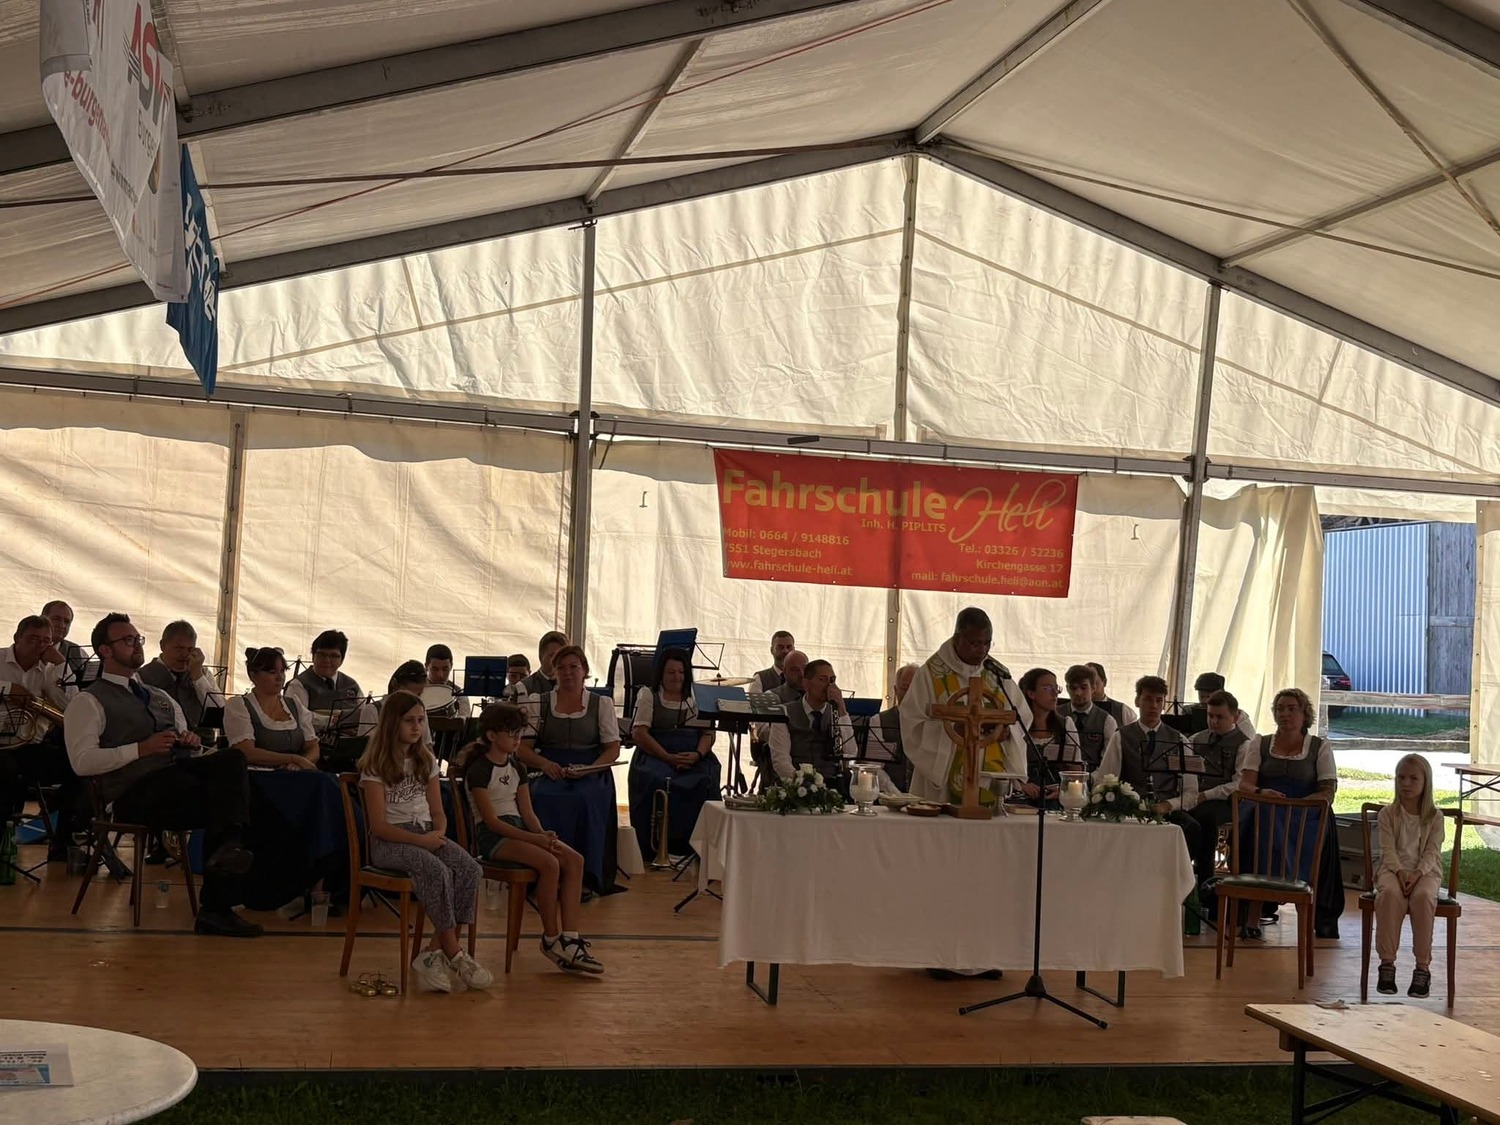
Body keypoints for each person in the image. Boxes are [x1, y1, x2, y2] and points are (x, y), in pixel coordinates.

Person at [64, 613, 260, 937]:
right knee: (227, 802)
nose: (136, 645)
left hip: (172, 783)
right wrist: (140, 749)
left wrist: (189, 742)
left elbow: (184, 744)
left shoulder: (160, 697)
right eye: (127, 640)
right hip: (130, 794)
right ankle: (221, 889)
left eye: (138, 638)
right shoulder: (88, 701)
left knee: (234, 761)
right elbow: (82, 763)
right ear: (105, 650)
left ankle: (227, 867)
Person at [454, 704, 603, 974]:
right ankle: (551, 939)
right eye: (511, 733)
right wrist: (535, 841)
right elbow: (492, 822)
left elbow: (528, 813)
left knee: (575, 860)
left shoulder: (517, 767)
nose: (517, 739)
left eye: (519, 733)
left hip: (519, 829)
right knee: (549, 863)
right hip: (494, 837)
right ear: (491, 735)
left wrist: (541, 833)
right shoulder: (479, 769)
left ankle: (570, 938)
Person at [359, 691, 491, 992]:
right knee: (436, 870)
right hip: (391, 840)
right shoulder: (375, 764)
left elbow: (438, 812)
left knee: (470, 868)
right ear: (392, 723)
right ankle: (455, 953)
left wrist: (438, 833)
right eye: (409, 721)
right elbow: (379, 826)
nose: (417, 727)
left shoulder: (426, 760)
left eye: (421, 720)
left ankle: (432, 952)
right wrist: (422, 842)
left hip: (426, 832)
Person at [1237, 687, 1344, 940]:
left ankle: (1303, 903)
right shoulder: (1261, 743)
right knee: (1263, 821)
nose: (1285, 714)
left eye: (1291, 709)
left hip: (1306, 816)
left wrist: (1298, 805)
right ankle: (1252, 917)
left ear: (1304, 714)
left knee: (1285, 827)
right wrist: (1262, 791)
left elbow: (1327, 791)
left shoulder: (1319, 747)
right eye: (1280, 709)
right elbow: (1245, 784)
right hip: (1267, 810)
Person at [517, 645, 624, 897]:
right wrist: (544, 764)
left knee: (584, 799)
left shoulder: (601, 703)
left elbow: (612, 749)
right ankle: (546, 872)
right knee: (543, 797)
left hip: (591, 770)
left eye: (574, 667)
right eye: (561, 668)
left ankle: (585, 877)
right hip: (549, 768)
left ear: (584, 670)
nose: (568, 673)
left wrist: (589, 769)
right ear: (553, 672)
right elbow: (522, 749)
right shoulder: (539, 702)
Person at [900, 607, 1030, 806]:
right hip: (945, 771)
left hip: (987, 771)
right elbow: (912, 725)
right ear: (957, 638)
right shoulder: (930, 673)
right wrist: (953, 730)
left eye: (987, 643)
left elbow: (1020, 717)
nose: (982, 650)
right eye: (975, 643)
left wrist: (1006, 731)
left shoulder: (997, 674)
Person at [1, 614, 83, 859]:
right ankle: (4, 841)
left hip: (29, 747)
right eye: (33, 639)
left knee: (79, 768)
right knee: (6, 773)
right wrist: (9, 689)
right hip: (1, 748)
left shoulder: (49, 670)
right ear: (17, 638)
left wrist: (60, 665)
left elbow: (72, 706)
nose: (40, 646)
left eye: (46, 641)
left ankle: (61, 839)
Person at [628, 647, 719, 862]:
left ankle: (697, 848)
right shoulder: (649, 695)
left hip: (692, 754)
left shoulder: (696, 696)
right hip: (656, 752)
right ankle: (657, 846)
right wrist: (667, 757)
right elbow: (640, 733)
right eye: (670, 672)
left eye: (681, 672)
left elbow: (708, 734)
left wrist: (697, 755)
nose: (676, 677)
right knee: (656, 779)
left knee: (706, 778)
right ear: (661, 673)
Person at [1094, 675, 1200, 849]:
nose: (1154, 706)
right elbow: (1104, 780)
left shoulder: (1179, 740)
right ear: (1137, 701)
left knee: (1193, 829)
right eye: (1148, 699)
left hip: (1167, 811)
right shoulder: (1121, 736)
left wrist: (1168, 805)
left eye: (1159, 700)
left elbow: (1191, 792)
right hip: (1130, 811)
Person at [1374, 754, 1443, 998]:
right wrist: (1401, 871)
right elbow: (1387, 850)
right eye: (1401, 777)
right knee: (1390, 894)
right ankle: (1387, 963)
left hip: (1425, 872)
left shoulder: (1435, 817)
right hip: (1392, 869)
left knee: (1423, 897)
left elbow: (1432, 852)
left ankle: (1422, 967)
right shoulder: (1387, 814)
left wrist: (1417, 873)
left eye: (1413, 778)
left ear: (1426, 782)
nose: (1406, 783)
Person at [1184, 689, 1254, 918]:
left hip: (1225, 802)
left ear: (1235, 716)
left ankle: (1205, 883)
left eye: (1220, 717)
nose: (1214, 721)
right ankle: (1183, 873)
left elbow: (1238, 783)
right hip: (1196, 797)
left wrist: (1206, 795)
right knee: (1181, 818)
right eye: (1210, 716)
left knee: (1205, 819)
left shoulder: (1244, 745)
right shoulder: (1196, 739)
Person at [224, 648, 320, 770]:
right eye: (272, 672)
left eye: (282, 671)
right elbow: (246, 752)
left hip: (295, 774)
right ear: (253, 676)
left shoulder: (294, 704)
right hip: (256, 776)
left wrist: (300, 764)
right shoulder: (239, 705)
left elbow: (313, 746)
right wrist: (293, 759)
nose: (280, 677)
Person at [768, 658, 852, 791]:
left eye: (832, 680)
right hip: (796, 788)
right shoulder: (785, 712)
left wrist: (842, 709)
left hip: (833, 787)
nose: (829, 686)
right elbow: (781, 761)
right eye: (822, 680)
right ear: (806, 684)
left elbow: (851, 753)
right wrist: (803, 786)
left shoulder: (837, 714)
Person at [284, 629, 374, 746]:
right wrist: (332, 722)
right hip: (315, 747)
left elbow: (365, 716)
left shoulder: (351, 685)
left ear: (342, 660)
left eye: (334, 656)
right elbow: (296, 717)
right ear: (313, 656)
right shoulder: (299, 684)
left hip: (351, 746)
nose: (327, 660)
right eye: (322, 655)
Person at [138, 620, 225, 733]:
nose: (185, 654)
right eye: (179, 648)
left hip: (204, 741)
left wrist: (197, 677)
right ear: (162, 646)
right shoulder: (142, 676)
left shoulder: (202, 673)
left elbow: (221, 712)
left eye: (190, 649)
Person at [1017, 668, 1082, 807]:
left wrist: (1063, 788)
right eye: (1048, 688)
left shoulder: (1066, 724)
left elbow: (1075, 769)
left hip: (1055, 799)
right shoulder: (1017, 725)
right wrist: (1020, 785)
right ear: (1031, 693)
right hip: (1021, 798)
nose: (1055, 693)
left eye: (1056, 688)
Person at [852, 663, 917, 794]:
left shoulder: (932, 723)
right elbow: (874, 766)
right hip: (888, 798)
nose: (910, 693)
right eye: (905, 688)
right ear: (895, 690)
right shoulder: (879, 721)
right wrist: (896, 795)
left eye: (915, 688)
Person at [1057, 664, 1118, 772]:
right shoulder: (1056, 714)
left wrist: (1090, 778)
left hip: (1094, 779)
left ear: (1093, 688)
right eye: (1073, 688)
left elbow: (1108, 761)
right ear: (1067, 688)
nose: (1078, 693)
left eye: (1083, 688)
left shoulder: (1107, 721)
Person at [1192, 672, 1257, 741]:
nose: (1205, 701)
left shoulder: (1239, 716)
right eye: (1201, 697)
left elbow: (1250, 740)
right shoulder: (1190, 711)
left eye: (1208, 696)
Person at [506, 631, 567, 702]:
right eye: (552, 655)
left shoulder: (571, 685)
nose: (558, 660)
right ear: (541, 656)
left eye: (563, 656)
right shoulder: (523, 688)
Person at [41, 600, 90, 688]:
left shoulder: (79, 653)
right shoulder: (25, 646)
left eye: (66, 621)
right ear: (42, 619)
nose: (62, 625)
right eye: (56, 619)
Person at [423, 644, 471, 720]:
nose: (440, 675)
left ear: (451, 666)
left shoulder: (459, 694)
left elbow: (464, 720)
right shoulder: (417, 690)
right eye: (435, 669)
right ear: (426, 666)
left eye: (445, 669)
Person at [1086, 662, 1138, 726]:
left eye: (1094, 683)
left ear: (1104, 682)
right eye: (1084, 686)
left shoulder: (1124, 712)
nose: (1090, 688)